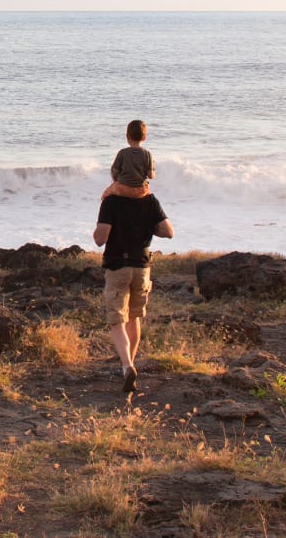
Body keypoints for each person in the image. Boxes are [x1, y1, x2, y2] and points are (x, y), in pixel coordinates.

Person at [93, 185, 174, 393]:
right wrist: (146, 227)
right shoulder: (150, 200)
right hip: (142, 268)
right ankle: (129, 366)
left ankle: (127, 366)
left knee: (117, 320)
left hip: (118, 267)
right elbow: (168, 232)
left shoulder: (111, 201)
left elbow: (100, 239)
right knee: (134, 318)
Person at [102, 120, 155, 200]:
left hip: (123, 189)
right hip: (140, 191)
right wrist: (153, 170)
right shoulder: (147, 154)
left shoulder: (122, 153)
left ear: (127, 136)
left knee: (105, 196)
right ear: (144, 137)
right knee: (148, 192)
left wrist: (116, 181)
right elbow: (151, 176)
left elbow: (114, 171)